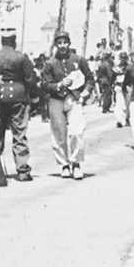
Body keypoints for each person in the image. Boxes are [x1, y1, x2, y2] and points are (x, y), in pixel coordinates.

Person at [0, 28, 36, 186]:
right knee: (19, 133)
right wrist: (33, 97)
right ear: (14, 41)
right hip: (19, 98)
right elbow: (30, 80)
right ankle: (22, 169)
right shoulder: (22, 57)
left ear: (2, 41)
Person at [38, 32, 87, 179]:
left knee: (77, 131)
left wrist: (86, 92)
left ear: (69, 43)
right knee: (59, 133)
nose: (62, 46)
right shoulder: (49, 64)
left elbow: (90, 78)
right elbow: (45, 84)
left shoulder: (79, 60)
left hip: (74, 98)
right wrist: (58, 84)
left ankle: (76, 164)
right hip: (56, 100)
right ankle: (64, 165)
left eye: (65, 42)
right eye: (59, 43)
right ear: (55, 45)